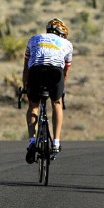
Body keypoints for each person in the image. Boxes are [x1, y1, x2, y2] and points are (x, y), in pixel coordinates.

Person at [23, 18, 73, 163]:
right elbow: (65, 72)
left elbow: (26, 68)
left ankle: (32, 141)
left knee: (33, 106)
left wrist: (25, 86)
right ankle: (56, 143)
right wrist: (60, 90)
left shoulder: (33, 39)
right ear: (62, 34)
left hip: (36, 71)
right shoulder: (67, 44)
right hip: (55, 72)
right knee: (57, 103)